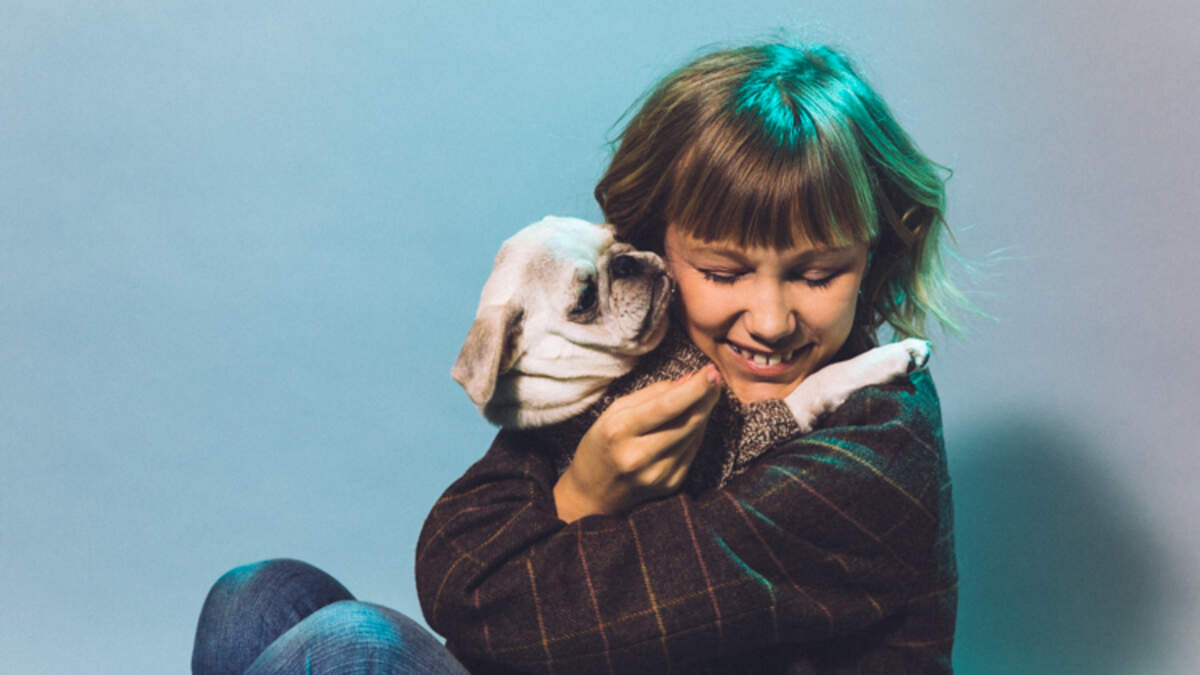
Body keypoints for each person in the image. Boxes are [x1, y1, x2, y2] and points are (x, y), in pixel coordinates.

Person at [192, 41, 966, 674]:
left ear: (874, 254)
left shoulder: (879, 441)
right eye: (723, 272)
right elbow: (453, 552)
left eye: (817, 274)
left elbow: (501, 614)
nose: (769, 320)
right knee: (253, 598)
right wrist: (583, 489)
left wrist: (580, 499)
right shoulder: (649, 362)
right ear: (656, 247)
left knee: (351, 648)